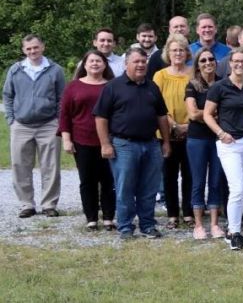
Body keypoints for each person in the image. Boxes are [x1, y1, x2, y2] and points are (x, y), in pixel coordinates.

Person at [94, 48, 173, 239]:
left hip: (151, 144)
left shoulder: (152, 86)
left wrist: (166, 142)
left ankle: (147, 225)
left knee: (149, 188)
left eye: (143, 62)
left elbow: (162, 115)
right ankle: (126, 227)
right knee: (125, 188)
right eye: (136, 62)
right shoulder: (113, 87)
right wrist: (105, 143)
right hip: (124, 144)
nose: (140, 65)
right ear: (126, 64)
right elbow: (101, 117)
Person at [202, 50, 243, 250]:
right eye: (236, 61)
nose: (239, 64)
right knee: (237, 189)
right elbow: (207, 115)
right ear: (230, 63)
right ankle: (234, 232)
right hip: (229, 144)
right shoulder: (219, 87)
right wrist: (221, 134)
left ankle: (234, 230)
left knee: (241, 188)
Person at [5, 35, 67, 218]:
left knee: (51, 166)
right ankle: (27, 204)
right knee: (20, 165)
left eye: (35, 47)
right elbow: (8, 95)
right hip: (21, 125)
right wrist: (11, 119)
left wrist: (57, 120)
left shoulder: (55, 70)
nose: (32, 51)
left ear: (42, 47)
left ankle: (49, 204)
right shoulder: (16, 70)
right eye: (28, 49)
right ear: (24, 50)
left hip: (48, 124)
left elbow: (62, 98)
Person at [60, 51, 114, 230]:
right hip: (82, 140)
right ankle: (91, 218)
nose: (95, 64)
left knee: (109, 180)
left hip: (108, 139)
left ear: (105, 64)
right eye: (91, 61)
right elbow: (65, 114)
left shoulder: (112, 86)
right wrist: (66, 139)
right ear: (84, 64)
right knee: (87, 180)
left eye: (99, 61)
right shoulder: (73, 86)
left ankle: (108, 217)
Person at [184, 47, 225, 240]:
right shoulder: (192, 85)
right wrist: (212, 114)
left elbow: (228, 111)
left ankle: (215, 224)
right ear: (198, 64)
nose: (208, 63)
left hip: (218, 138)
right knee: (198, 181)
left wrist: (205, 114)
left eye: (211, 59)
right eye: (203, 60)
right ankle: (199, 225)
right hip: (197, 139)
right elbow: (192, 113)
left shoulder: (223, 83)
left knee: (216, 181)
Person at [153, 34, 194, 230]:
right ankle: (172, 215)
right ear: (167, 53)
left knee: (190, 175)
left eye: (181, 49)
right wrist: (174, 125)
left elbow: (201, 101)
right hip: (167, 133)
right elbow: (157, 105)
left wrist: (188, 125)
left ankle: (188, 212)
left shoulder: (194, 73)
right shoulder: (160, 76)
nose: (178, 53)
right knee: (169, 176)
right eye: (174, 50)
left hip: (192, 132)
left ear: (187, 52)